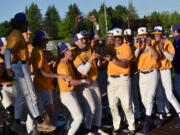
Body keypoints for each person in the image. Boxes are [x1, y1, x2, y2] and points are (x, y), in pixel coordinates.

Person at [4, 12, 56, 132]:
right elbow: (8, 51)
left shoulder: (17, 34)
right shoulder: (15, 35)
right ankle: (40, 122)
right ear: (21, 23)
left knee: (22, 97)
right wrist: (8, 68)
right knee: (31, 95)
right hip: (20, 67)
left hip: (20, 66)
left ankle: (16, 122)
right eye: (26, 23)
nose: (27, 25)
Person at [73, 32, 107, 135]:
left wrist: (95, 23)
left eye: (85, 38)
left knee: (99, 105)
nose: (84, 40)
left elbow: (97, 35)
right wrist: (92, 58)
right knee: (91, 107)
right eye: (81, 39)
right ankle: (87, 130)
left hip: (93, 81)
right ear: (75, 42)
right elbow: (83, 71)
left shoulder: (88, 48)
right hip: (84, 84)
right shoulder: (76, 55)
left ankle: (97, 127)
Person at [103, 28, 135, 135]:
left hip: (123, 78)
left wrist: (112, 59)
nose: (117, 39)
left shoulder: (126, 47)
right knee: (112, 104)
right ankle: (116, 125)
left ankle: (132, 126)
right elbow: (100, 55)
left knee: (126, 104)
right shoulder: (109, 47)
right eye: (115, 37)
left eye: (119, 37)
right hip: (111, 79)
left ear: (122, 37)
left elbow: (124, 64)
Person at [56, 42, 89, 135]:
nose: (73, 53)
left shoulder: (67, 63)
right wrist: (84, 81)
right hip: (67, 95)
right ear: (65, 52)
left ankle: (67, 131)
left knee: (72, 116)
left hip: (70, 93)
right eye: (71, 51)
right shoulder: (62, 66)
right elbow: (70, 82)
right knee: (79, 117)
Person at [153, 26, 180, 128]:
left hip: (165, 70)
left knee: (169, 95)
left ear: (162, 34)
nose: (156, 35)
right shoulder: (153, 43)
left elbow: (171, 58)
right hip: (157, 71)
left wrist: (163, 50)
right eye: (155, 33)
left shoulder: (167, 42)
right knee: (159, 95)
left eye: (158, 33)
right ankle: (162, 114)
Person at [134, 27, 159, 132]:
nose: (143, 37)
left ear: (147, 35)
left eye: (144, 35)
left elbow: (157, 56)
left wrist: (150, 46)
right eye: (141, 35)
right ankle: (152, 116)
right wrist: (139, 48)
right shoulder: (137, 46)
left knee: (150, 97)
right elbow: (133, 59)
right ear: (138, 36)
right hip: (142, 74)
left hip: (152, 72)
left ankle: (147, 121)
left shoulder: (153, 43)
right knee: (144, 99)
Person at [124, 29, 141, 122]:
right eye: (126, 37)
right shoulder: (123, 47)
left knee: (134, 96)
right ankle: (128, 116)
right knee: (127, 98)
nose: (128, 38)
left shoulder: (134, 46)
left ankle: (137, 115)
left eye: (130, 36)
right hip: (125, 75)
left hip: (132, 74)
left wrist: (137, 48)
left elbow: (133, 59)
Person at [172, 25, 180, 100]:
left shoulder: (177, 40)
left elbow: (176, 54)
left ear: (175, 31)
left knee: (177, 85)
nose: (172, 33)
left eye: (172, 31)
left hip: (178, 67)